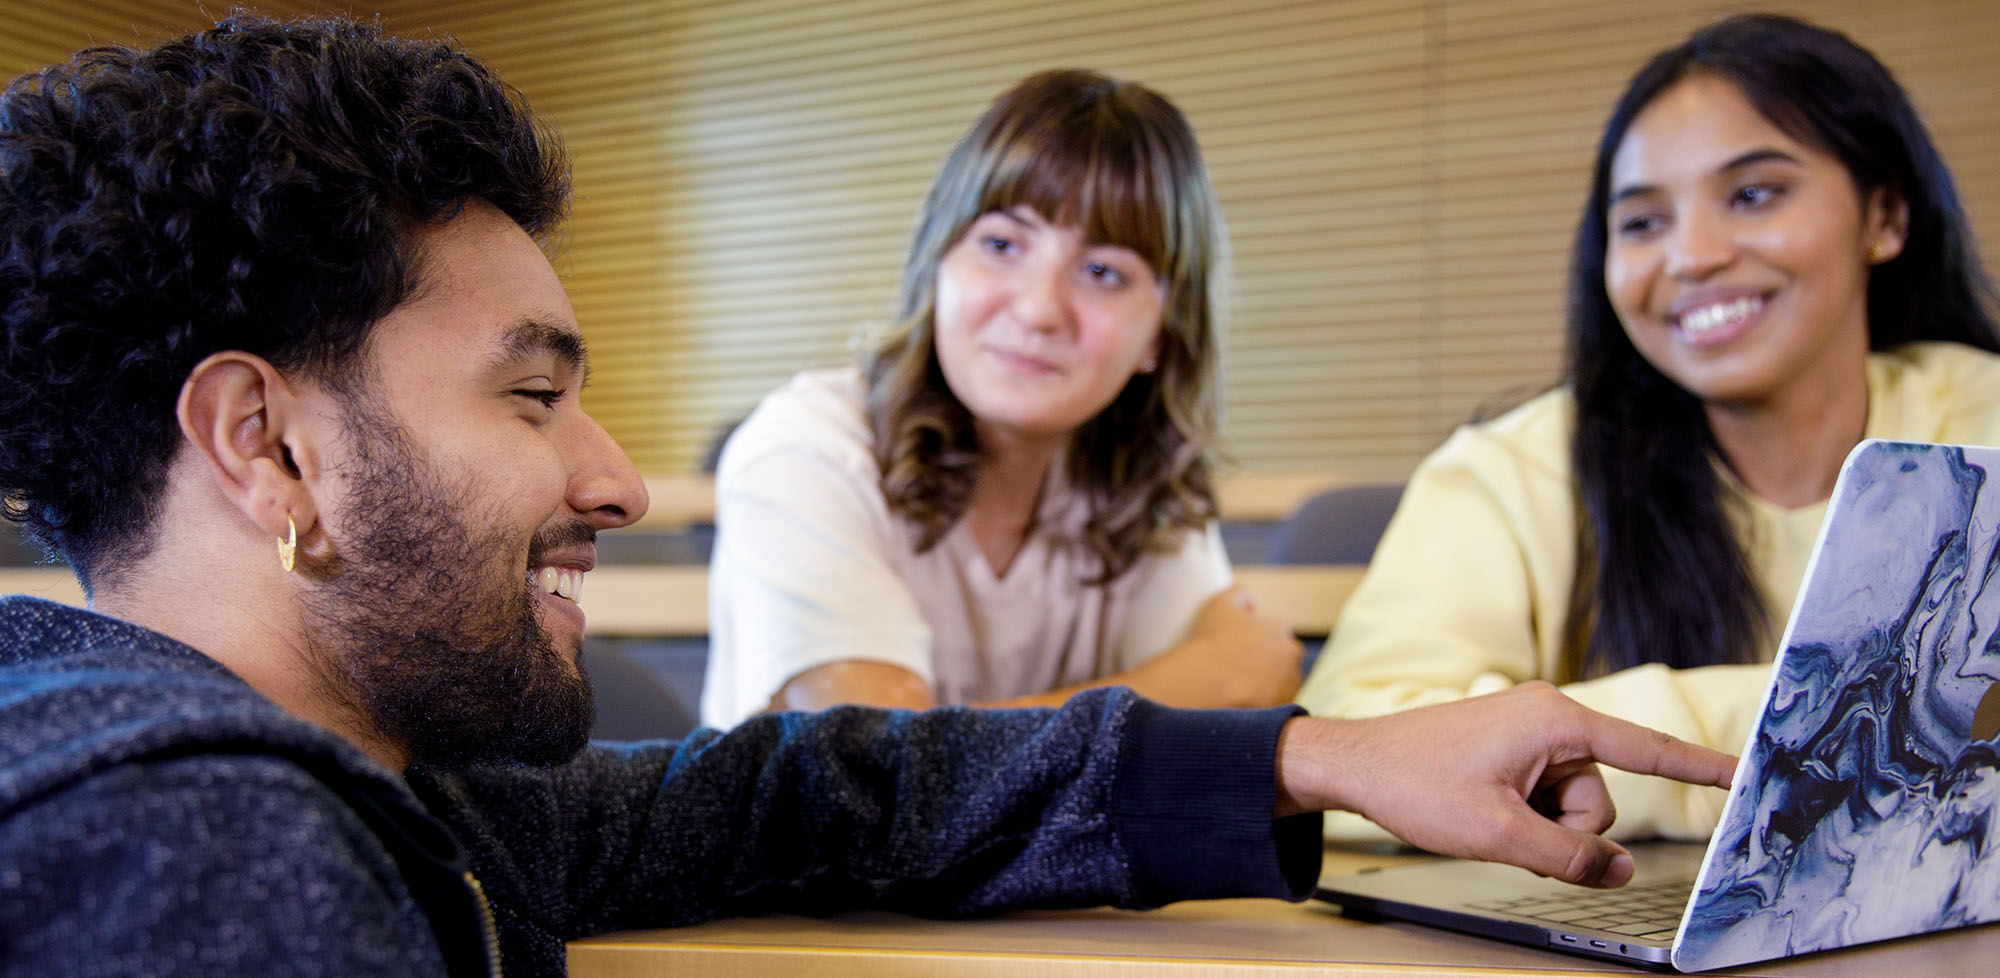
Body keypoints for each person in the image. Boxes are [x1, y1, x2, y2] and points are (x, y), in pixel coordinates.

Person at [0, 15, 1734, 977]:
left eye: (1113, 270)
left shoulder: (402, 792)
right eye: (535, 394)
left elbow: (813, 793)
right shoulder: (213, 859)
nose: (615, 476)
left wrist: (1312, 748)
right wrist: (1245, 692)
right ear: (268, 445)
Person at [1297, 12, 2000, 841]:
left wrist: (1575, 739)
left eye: (1753, 194)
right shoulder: (1512, 470)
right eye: (1641, 222)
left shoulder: (1980, 422)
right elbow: (1358, 755)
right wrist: (1887, 718)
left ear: (1884, 217)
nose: (1691, 256)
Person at [701, 69, 1303, 729]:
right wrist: (1206, 678)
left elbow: (1210, 745)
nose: (1040, 309)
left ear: (1160, 333)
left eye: (1103, 272)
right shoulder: (807, 448)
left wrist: (1214, 682)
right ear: (938, 262)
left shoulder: (1142, 483)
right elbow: (877, 773)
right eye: (1002, 244)